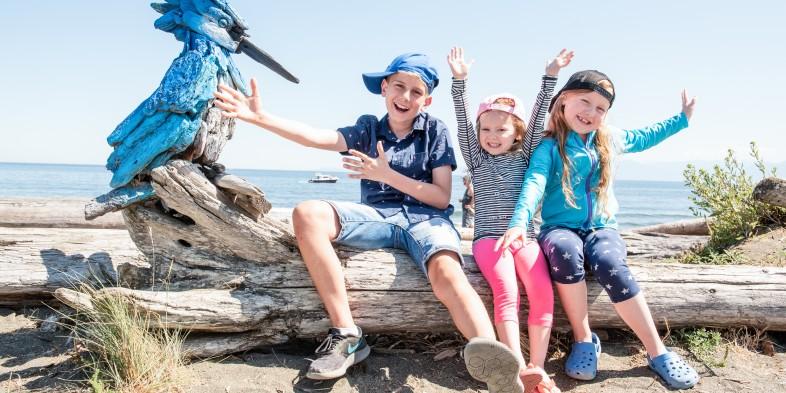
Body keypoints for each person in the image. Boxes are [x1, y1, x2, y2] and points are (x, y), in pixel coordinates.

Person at [214, 53, 524, 392]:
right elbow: (319, 137)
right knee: (307, 213)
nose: (406, 98)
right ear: (384, 89)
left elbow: (440, 197)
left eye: (416, 92)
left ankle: (495, 360)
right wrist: (261, 118)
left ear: (427, 99)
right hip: (377, 217)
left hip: (427, 219)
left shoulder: (435, 130)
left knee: (447, 271)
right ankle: (347, 335)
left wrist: (387, 175)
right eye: (399, 87)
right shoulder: (368, 128)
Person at [495, 70, 701, 390]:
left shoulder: (610, 138)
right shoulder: (549, 147)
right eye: (585, 102)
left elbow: (646, 135)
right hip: (559, 228)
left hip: (602, 227)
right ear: (564, 99)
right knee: (564, 252)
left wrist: (682, 118)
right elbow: (533, 183)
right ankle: (583, 339)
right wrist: (519, 222)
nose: (591, 113)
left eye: (601, 108)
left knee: (610, 263)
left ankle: (657, 351)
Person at [449, 46, 572, 392]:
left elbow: (536, 118)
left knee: (543, 292)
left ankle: (537, 367)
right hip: (489, 239)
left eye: (500, 130)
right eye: (485, 128)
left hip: (525, 238)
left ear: (515, 133)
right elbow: (461, 120)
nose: (491, 136)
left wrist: (550, 76)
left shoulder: (527, 154)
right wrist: (459, 82)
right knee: (508, 291)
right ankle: (514, 367)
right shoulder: (477, 159)